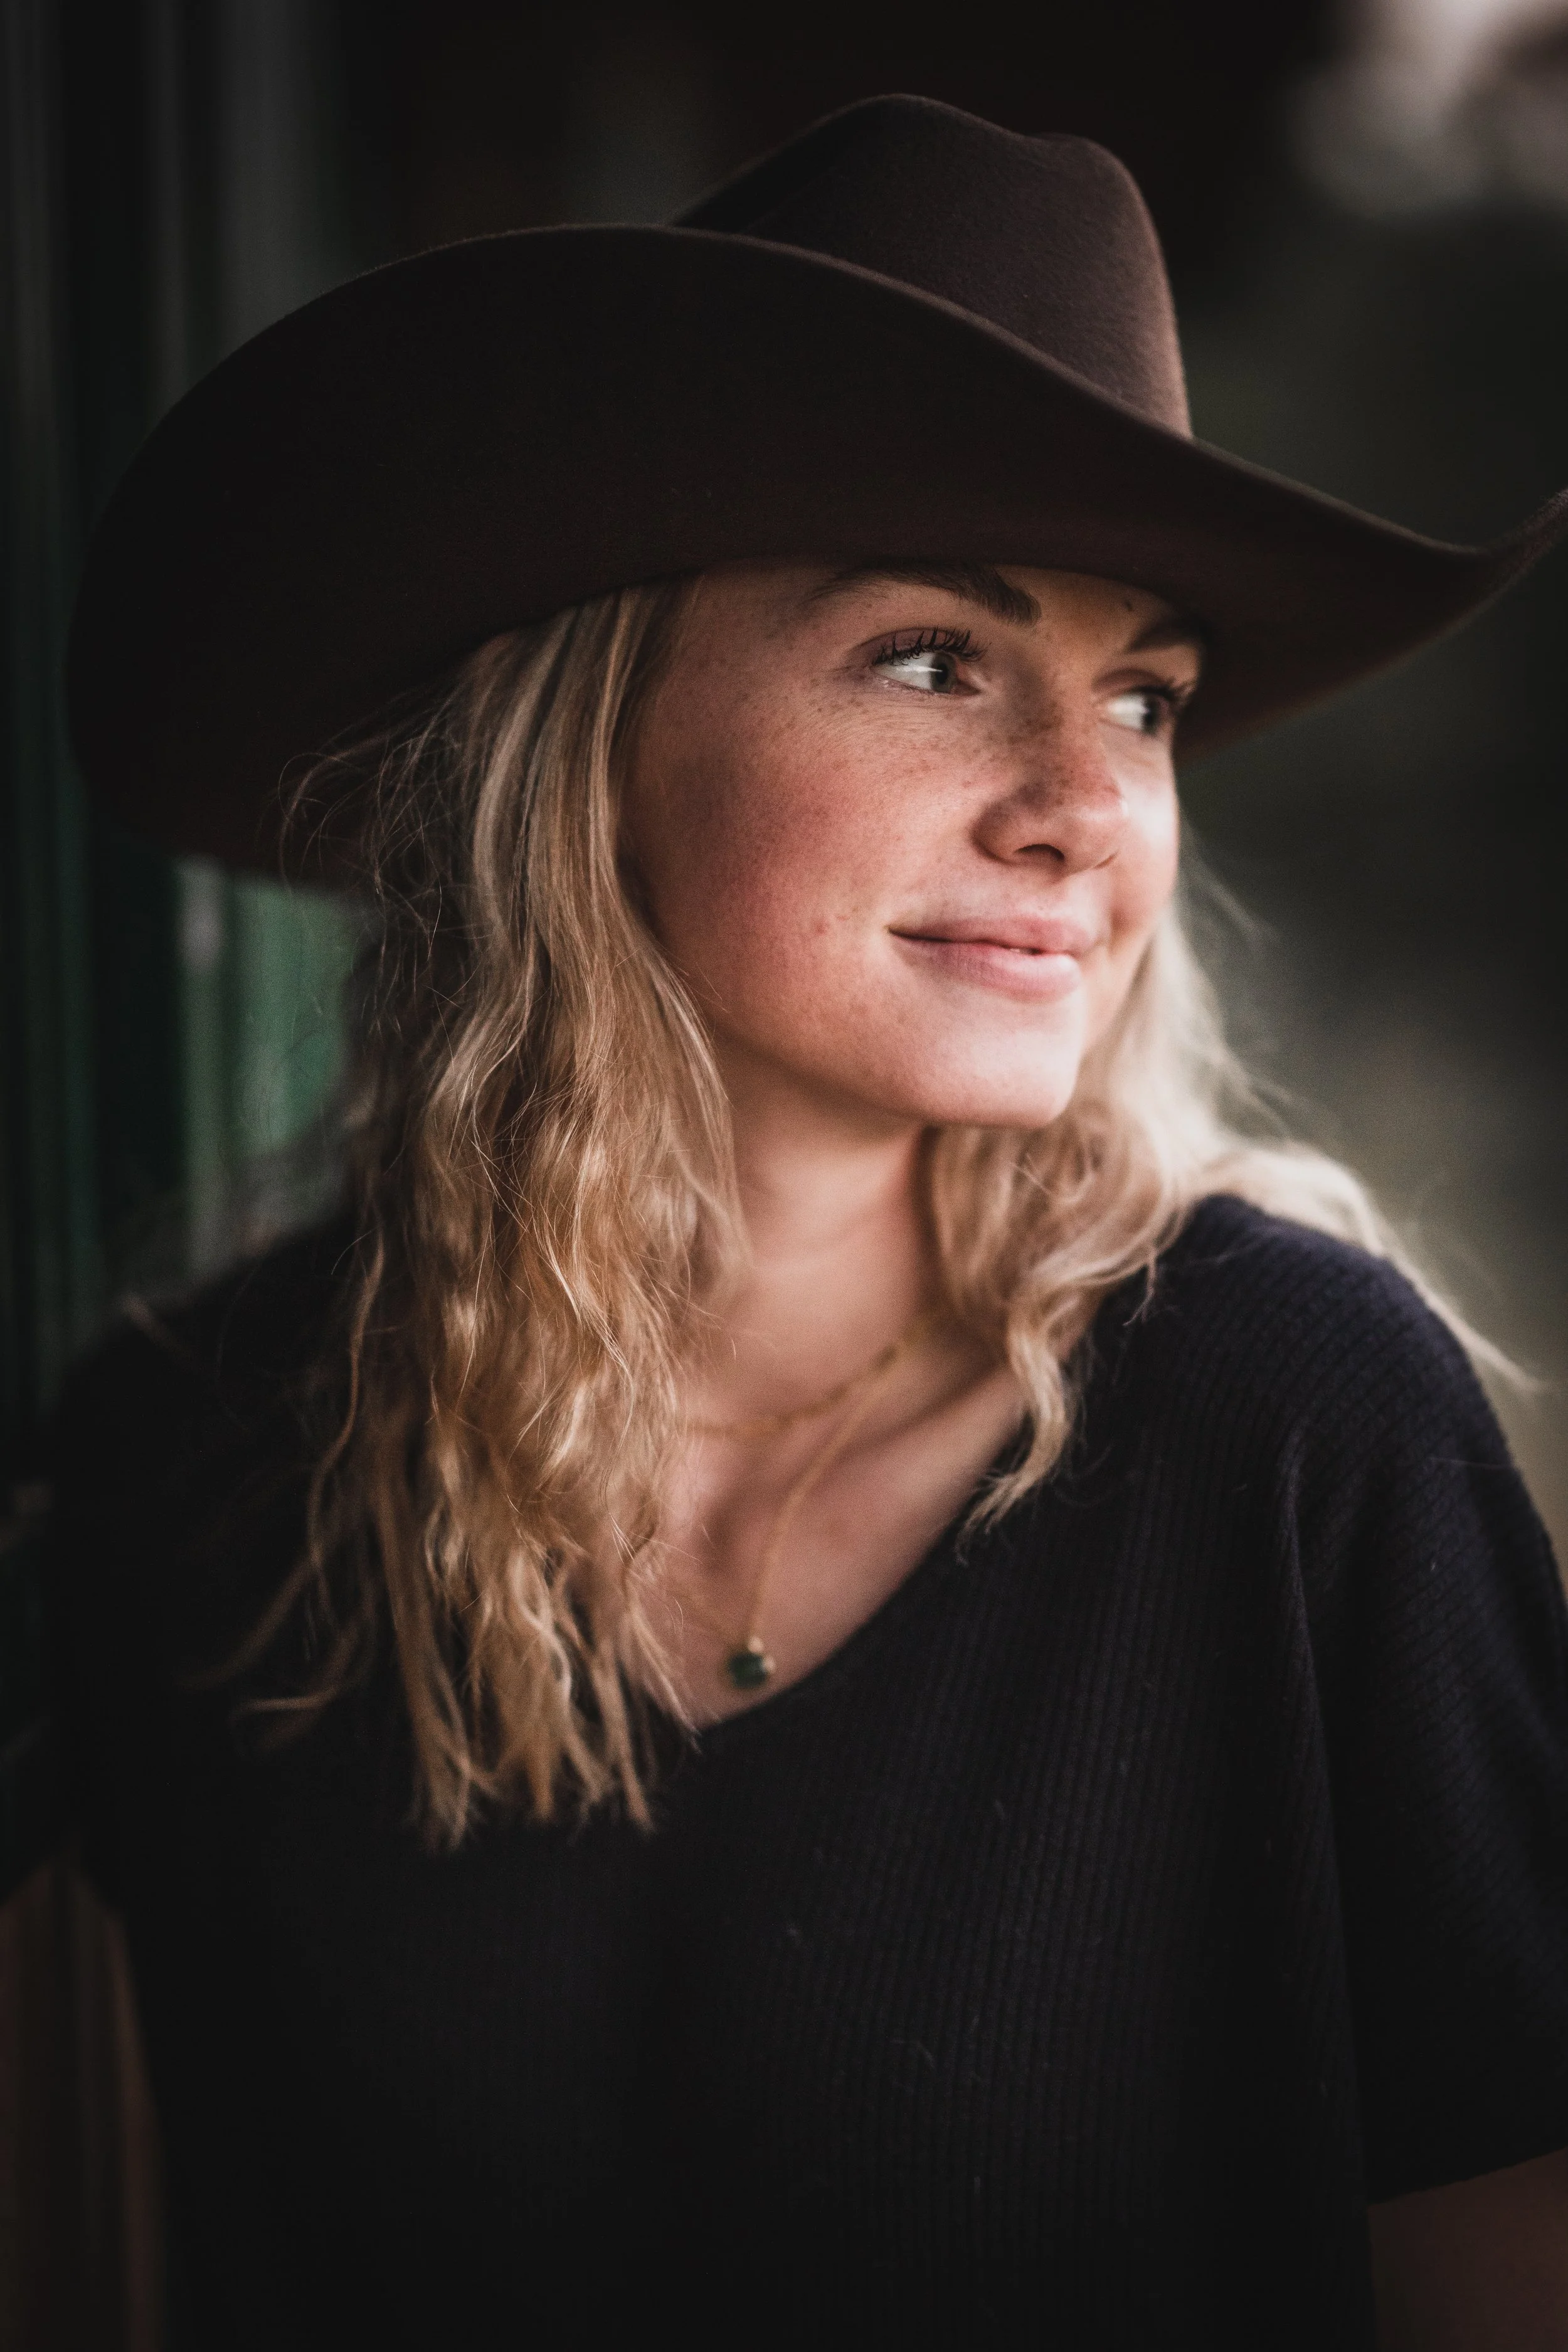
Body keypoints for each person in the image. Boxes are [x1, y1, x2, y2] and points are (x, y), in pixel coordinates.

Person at [54, 94, 1568, 2350]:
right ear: (588, 732)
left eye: (1142, 693)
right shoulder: (186, 1463)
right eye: (935, 658)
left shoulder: (1291, 1428)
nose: (1082, 805)